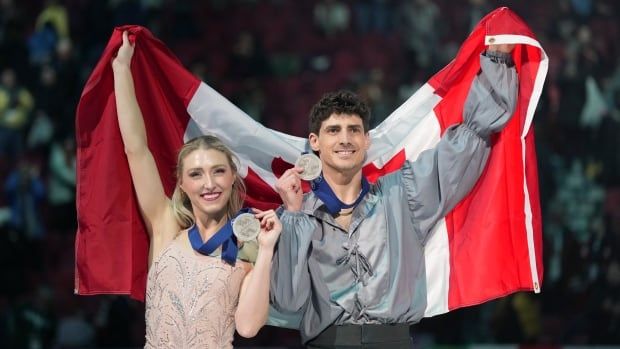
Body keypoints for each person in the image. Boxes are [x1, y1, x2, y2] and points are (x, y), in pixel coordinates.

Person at [270, 44, 518, 348]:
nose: (345, 139)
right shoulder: (297, 213)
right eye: (333, 130)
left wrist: (497, 59)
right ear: (315, 142)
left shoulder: (403, 195)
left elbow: (466, 144)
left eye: (354, 130)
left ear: (366, 141)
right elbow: (288, 301)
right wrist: (294, 217)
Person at [112, 31, 280, 348]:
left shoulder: (247, 245)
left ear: (233, 177)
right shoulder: (164, 226)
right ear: (182, 183)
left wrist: (267, 250)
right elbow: (135, 149)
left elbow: (248, 327)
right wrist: (121, 70)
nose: (209, 183)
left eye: (218, 171)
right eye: (196, 173)